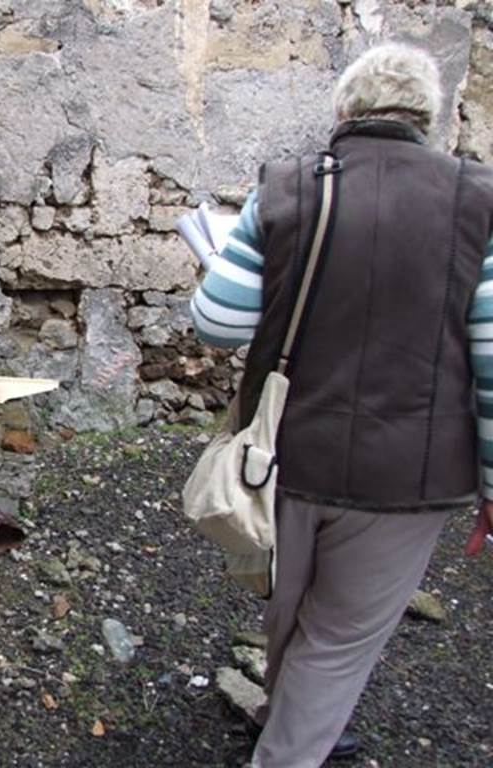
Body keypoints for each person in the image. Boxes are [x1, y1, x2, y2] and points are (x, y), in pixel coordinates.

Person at [190, 42, 493, 768]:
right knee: (341, 635)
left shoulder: (290, 188)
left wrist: (227, 261)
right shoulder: (477, 201)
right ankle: (289, 750)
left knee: (288, 608)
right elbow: (491, 354)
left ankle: (283, 723)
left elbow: (218, 323)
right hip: (412, 474)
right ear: (431, 117)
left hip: (290, 452)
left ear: (344, 111)